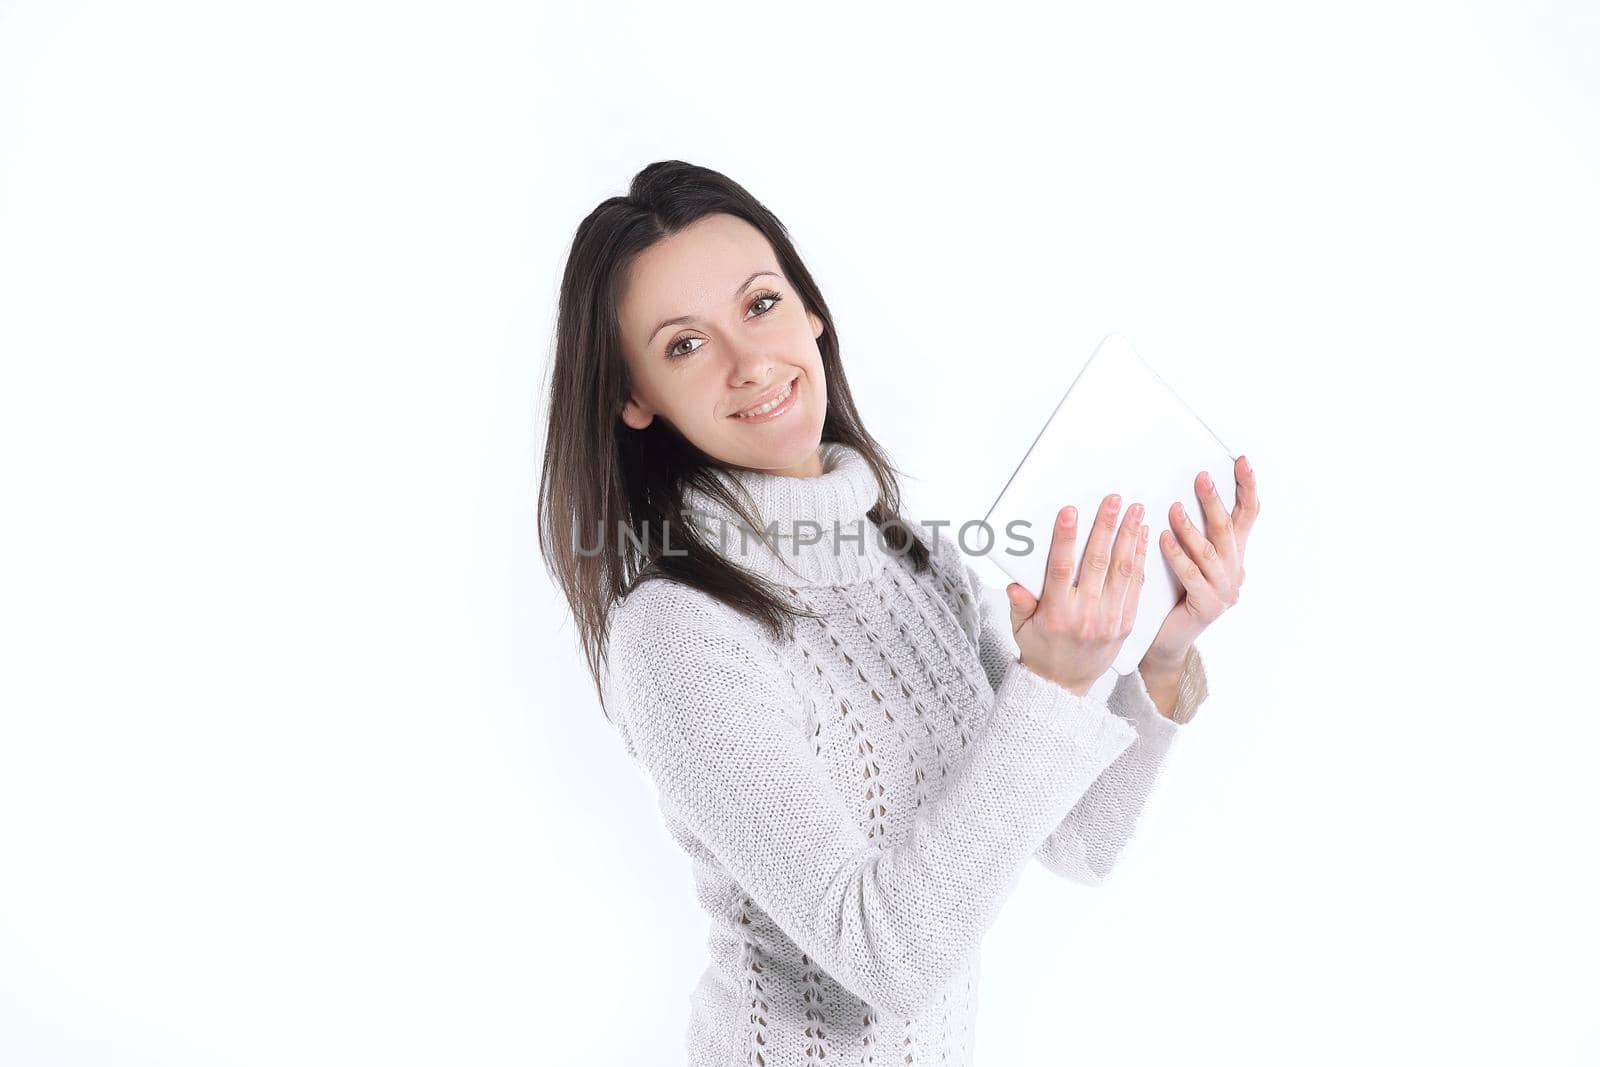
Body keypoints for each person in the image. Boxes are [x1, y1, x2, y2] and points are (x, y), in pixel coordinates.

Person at [536, 159, 1259, 1065]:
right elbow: (883, 955)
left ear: (811, 312)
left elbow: (1078, 840)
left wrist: (1158, 654)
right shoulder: (677, 628)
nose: (751, 361)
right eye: (685, 344)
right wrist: (1055, 682)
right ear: (633, 396)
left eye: (761, 304)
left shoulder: (917, 561)